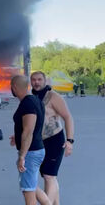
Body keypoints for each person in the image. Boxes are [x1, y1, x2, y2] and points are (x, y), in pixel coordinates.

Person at [31, 71, 75, 205]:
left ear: (45, 81)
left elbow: (68, 117)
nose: (36, 82)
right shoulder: (31, 97)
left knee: (49, 176)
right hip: (39, 142)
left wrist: (70, 140)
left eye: (39, 79)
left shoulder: (53, 97)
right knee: (47, 175)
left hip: (55, 140)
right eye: (34, 80)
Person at [10, 75, 49, 205]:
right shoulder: (35, 100)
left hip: (31, 153)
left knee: (28, 191)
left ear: (14, 87)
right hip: (36, 150)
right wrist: (17, 135)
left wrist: (22, 156)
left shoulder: (28, 103)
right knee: (33, 186)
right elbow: (34, 126)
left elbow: (28, 131)